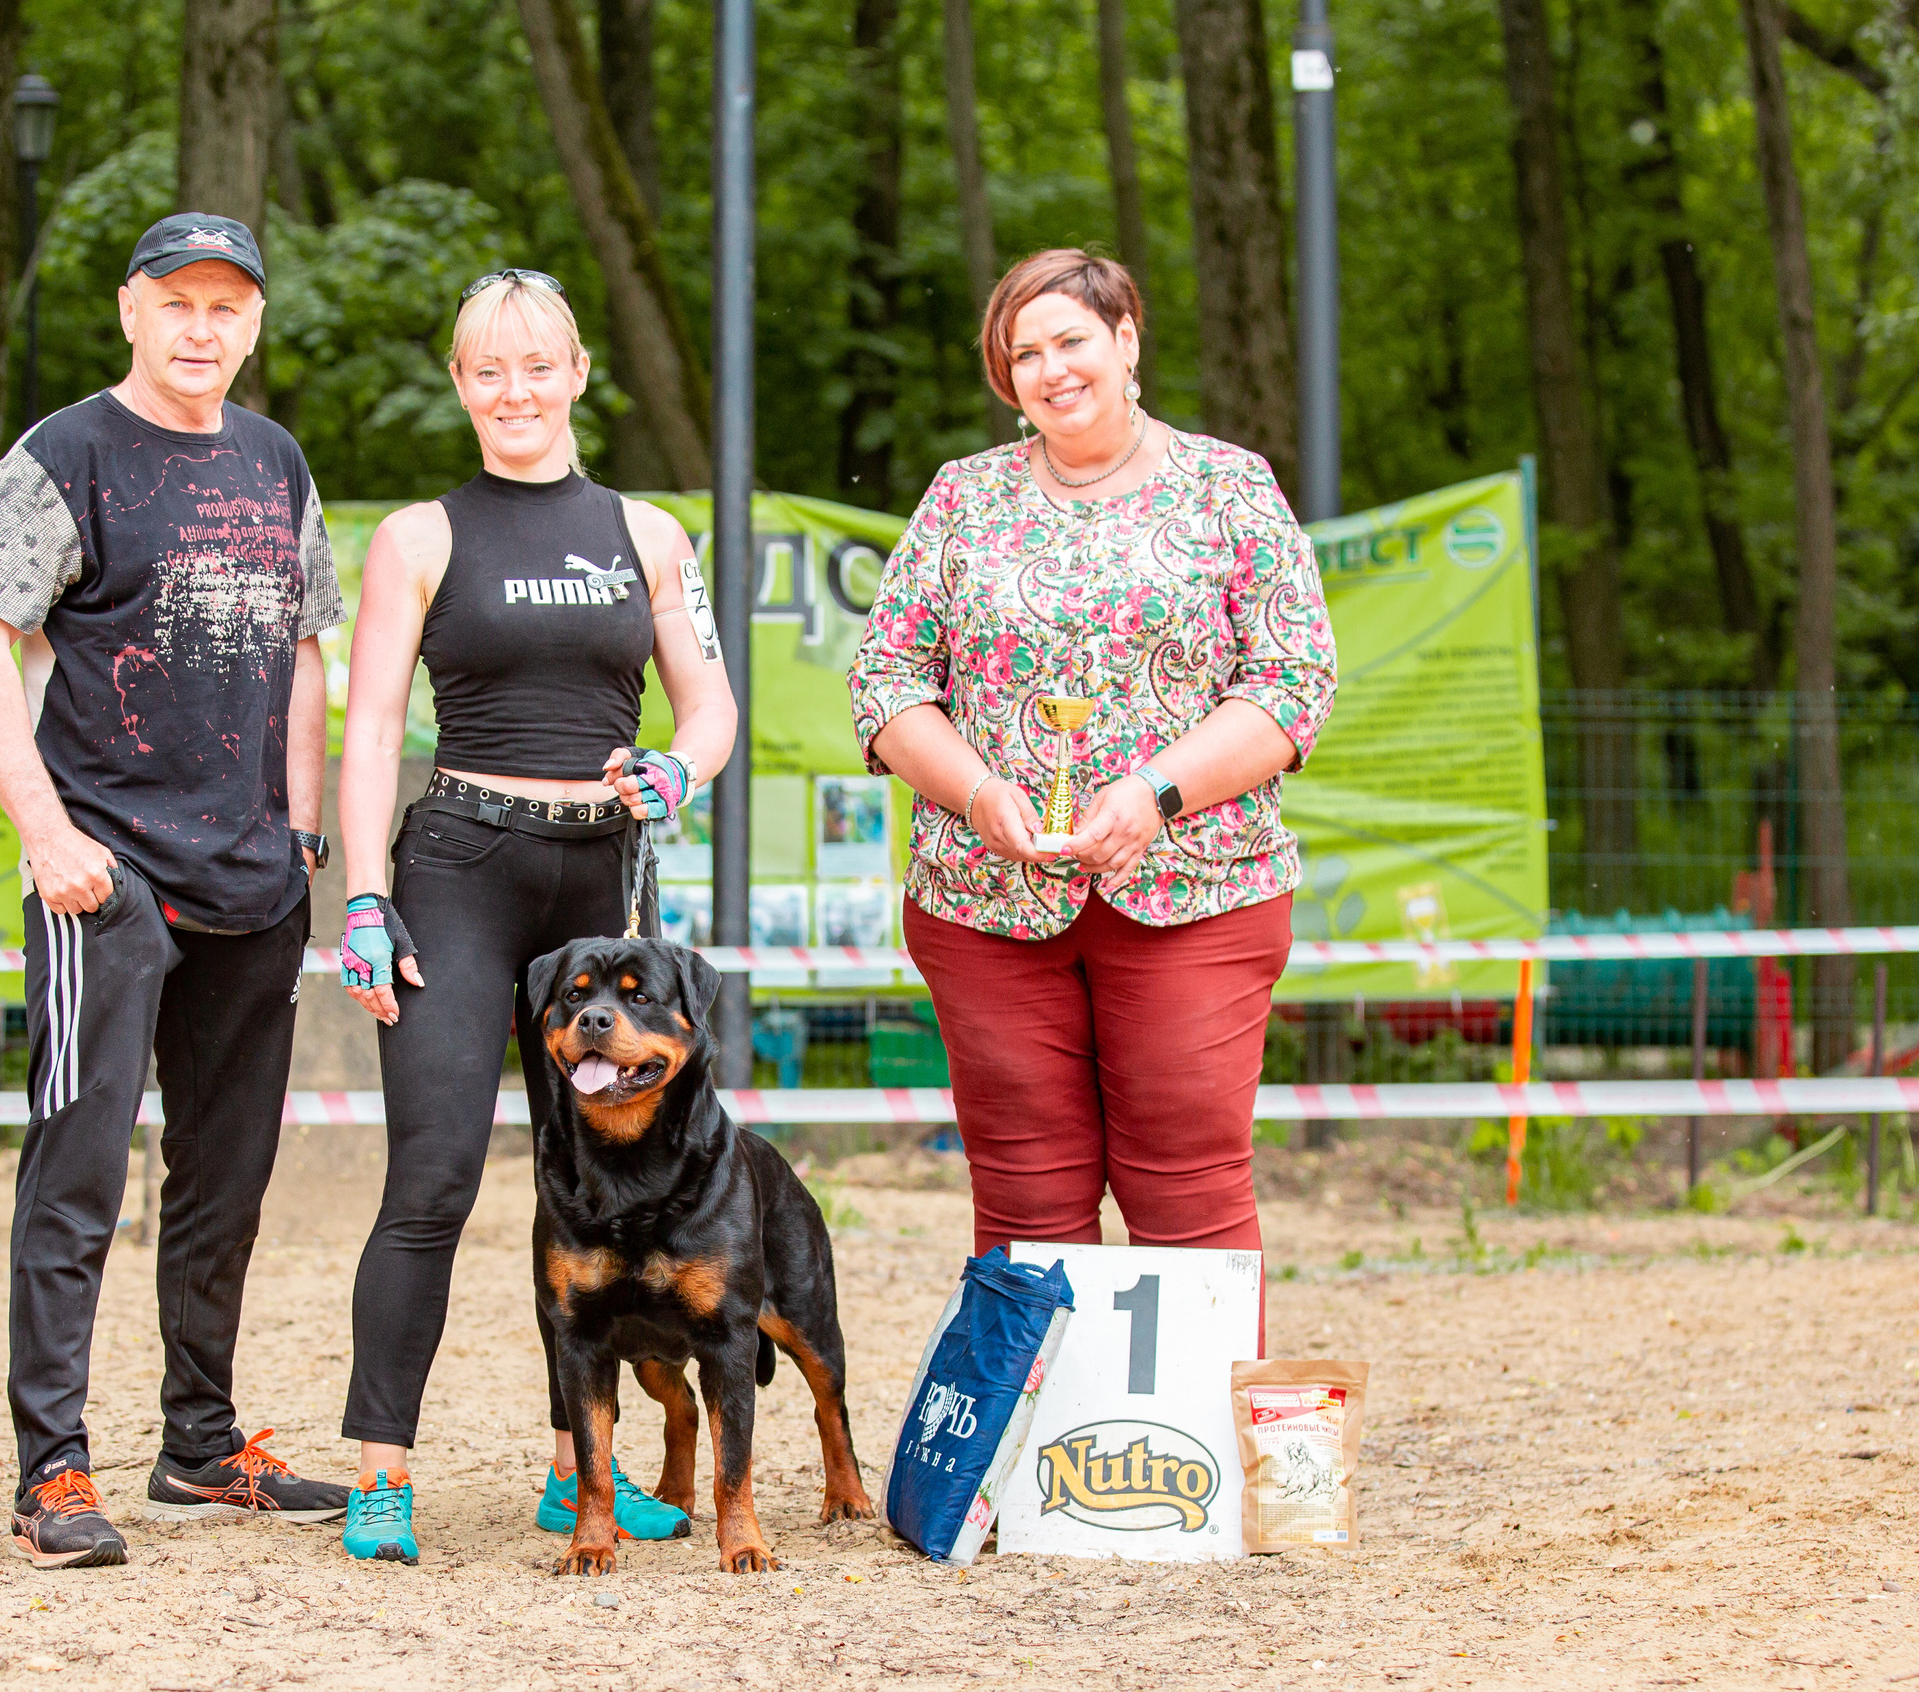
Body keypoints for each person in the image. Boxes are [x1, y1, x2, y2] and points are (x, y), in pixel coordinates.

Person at [0, 212, 353, 1570]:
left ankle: (200, 1438)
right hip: (105, 877)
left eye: (228, 306)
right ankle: (50, 1468)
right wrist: (48, 834)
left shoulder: (275, 457)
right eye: (178, 301)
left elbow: (306, 654)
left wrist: (299, 833)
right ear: (131, 309)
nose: (202, 328)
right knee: (76, 1172)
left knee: (225, 1177)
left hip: (252, 877)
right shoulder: (64, 455)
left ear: (254, 323)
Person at [847, 248, 1336, 1346]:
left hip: (1198, 892)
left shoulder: (1228, 485)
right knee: (1022, 1204)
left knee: (1188, 1193)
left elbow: (1295, 680)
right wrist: (976, 795)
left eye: (1071, 339)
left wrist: (1155, 795)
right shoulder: (961, 498)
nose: (1050, 369)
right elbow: (882, 680)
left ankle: (1192, 1472)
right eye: (1023, 352)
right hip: (984, 905)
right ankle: (1022, 1466)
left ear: (1126, 340)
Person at [330, 269, 738, 1563]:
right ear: (462, 384)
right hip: (459, 865)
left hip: (599, 888)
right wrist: (360, 891)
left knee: (600, 1191)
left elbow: (712, 705)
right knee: (436, 1175)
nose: (514, 390)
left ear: (575, 374)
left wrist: (684, 765)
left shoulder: (651, 533)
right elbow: (370, 727)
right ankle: (380, 1472)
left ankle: (581, 1472)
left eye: (536, 365)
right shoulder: (416, 537)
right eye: (486, 369)